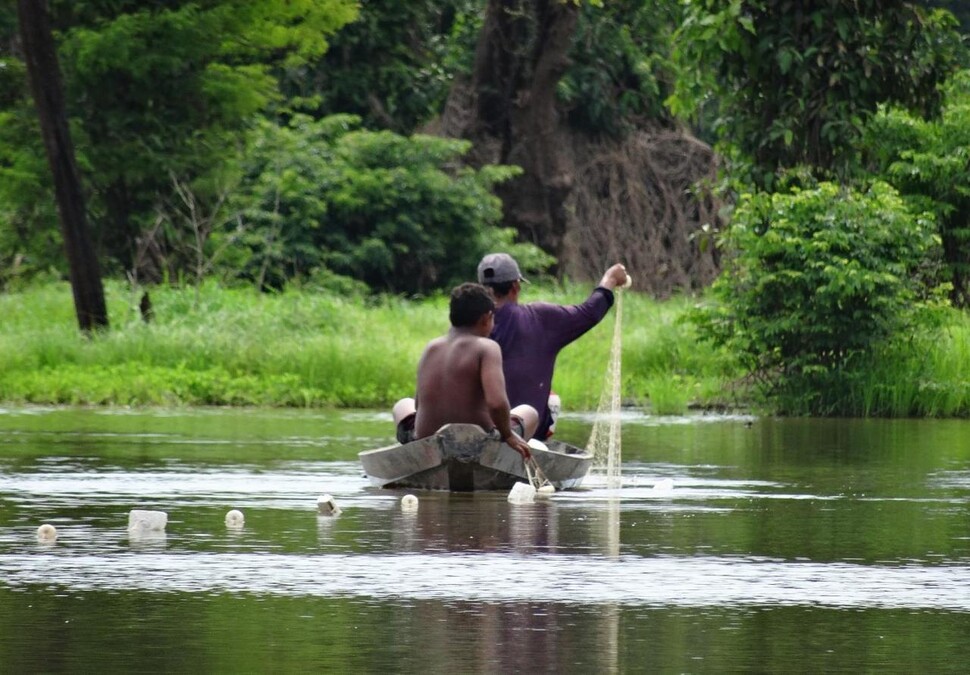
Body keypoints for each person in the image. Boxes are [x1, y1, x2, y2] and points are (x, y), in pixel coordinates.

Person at [477, 252, 629, 440]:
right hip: (521, 432)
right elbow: (590, 312)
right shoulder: (539, 318)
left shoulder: (467, 325)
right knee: (552, 400)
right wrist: (610, 279)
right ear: (516, 287)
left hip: (477, 428)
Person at [392, 282, 538, 459]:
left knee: (402, 405)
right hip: (477, 442)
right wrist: (508, 435)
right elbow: (497, 403)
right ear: (486, 318)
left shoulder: (431, 347)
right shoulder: (487, 347)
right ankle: (503, 456)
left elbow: (417, 405)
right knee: (530, 412)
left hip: (425, 440)